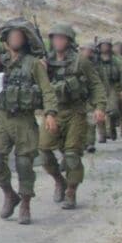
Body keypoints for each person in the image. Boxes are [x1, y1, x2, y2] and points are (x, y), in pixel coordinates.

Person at [0, 18, 58, 224]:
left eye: (19, 36)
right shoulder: (0, 62)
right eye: (12, 35)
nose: (16, 39)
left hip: (25, 120)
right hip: (3, 118)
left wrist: (50, 113)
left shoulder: (33, 64)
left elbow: (47, 90)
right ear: (6, 39)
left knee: (24, 163)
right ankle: (9, 193)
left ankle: (25, 203)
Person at [37, 24, 106, 210]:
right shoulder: (45, 61)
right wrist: (41, 70)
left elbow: (96, 85)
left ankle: (71, 191)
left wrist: (100, 107)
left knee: (72, 154)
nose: (58, 41)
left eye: (62, 38)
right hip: (53, 111)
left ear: (69, 40)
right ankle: (59, 181)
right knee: (43, 150)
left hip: (76, 112)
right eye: (55, 38)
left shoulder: (80, 62)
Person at [95, 39, 122, 141]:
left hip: (113, 87)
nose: (105, 47)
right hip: (99, 87)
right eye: (103, 45)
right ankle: (102, 134)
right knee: (99, 111)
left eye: (107, 45)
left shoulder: (115, 61)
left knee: (113, 111)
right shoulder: (96, 60)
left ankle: (112, 128)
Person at [77, 43, 104, 153]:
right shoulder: (74, 62)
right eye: (87, 50)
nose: (89, 53)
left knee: (90, 121)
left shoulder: (96, 65)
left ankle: (90, 143)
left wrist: (101, 100)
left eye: (91, 51)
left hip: (90, 97)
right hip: (76, 97)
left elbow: (99, 83)